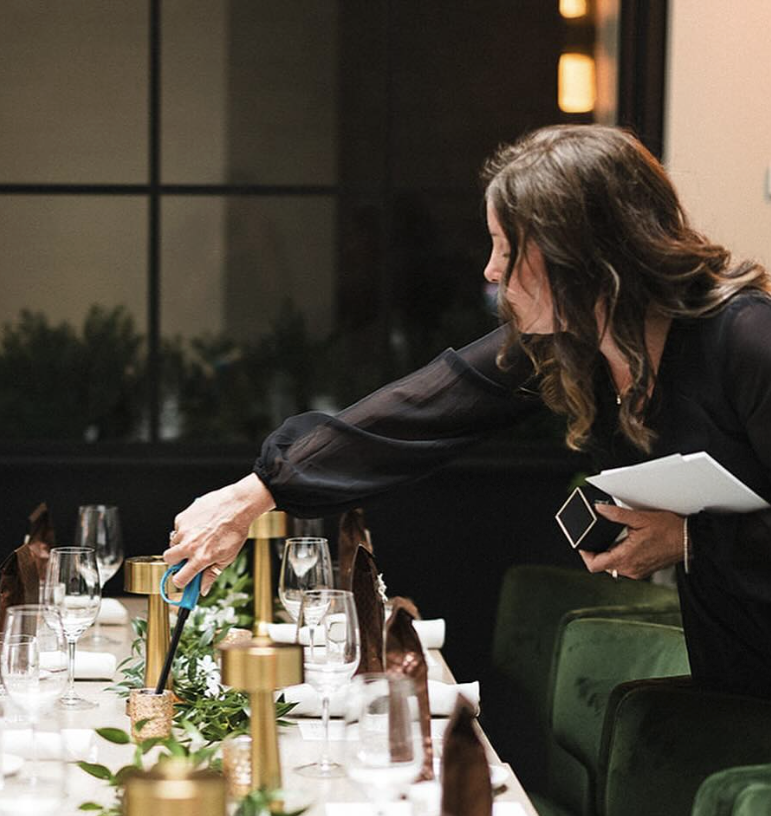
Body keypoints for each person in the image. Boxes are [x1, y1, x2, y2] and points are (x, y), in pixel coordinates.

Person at [163, 124, 771, 696]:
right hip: (731, 671)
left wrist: (692, 539)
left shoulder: (747, 340)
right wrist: (255, 493)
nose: (491, 269)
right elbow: (426, 407)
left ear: (582, 256)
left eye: (508, 248)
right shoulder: (575, 345)